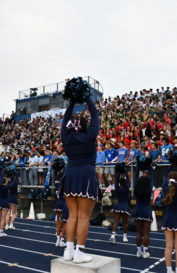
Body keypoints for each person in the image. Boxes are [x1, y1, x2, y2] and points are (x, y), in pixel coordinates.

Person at [60, 95, 100, 263]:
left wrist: (72, 103)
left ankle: (68, 251)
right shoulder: (90, 136)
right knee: (83, 217)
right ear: (86, 127)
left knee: (72, 216)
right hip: (86, 176)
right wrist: (87, 98)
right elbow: (95, 116)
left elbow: (65, 120)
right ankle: (79, 253)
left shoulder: (66, 138)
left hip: (69, 175)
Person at [161, 165, 177, 273]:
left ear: (169, 180)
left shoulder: (165, 188)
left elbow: (165, 177)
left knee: (168, 247)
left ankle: (169, 270)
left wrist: (171, 164)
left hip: (168, 218)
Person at [132, 167, 153, 258]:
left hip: (138, 211)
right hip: (146, 211)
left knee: (139, 232)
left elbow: (135, 180)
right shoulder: (148, 190)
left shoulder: (136, 190)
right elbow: (151, 179)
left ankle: (138, 252)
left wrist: (138, 169)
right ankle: (145, 252)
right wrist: (150, 169)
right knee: (146, 233)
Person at [110, 171, 131, 244]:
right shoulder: (127, 189)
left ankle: (113, 235)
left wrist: (119, 172)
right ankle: (124, 237)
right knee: (125, 223)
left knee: (116, 222)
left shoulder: (117, 189)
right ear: (125, 183)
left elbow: (116, 180)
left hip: (118, 206)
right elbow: (128, 180)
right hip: (125, 206)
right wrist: (125, 171)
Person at [54, 172, 66, 247]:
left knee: (58, 220)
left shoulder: (57, 184)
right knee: (64, 222)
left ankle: (57, 240)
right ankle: (62, 240)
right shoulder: (66, 183)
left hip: (59, 202)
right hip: (65, 203)